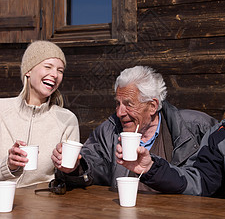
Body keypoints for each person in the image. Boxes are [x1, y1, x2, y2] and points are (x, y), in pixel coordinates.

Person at [52, 66, 216, 191]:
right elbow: (91, 165)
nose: (119, 112)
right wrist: (75, 167)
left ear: (152, 106)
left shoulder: (196, 128)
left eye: (128, 105)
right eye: (118, 103)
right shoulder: (109, 131)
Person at [0, 40, 79, 188]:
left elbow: (68, 177)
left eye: (60, 70)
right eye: (48, 67)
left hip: (42, 204)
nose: (55, 75)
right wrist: (8, 166)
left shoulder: (67, 119)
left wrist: (71, 168)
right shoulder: (1, 110)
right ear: (28, 71)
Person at [116, 120, 225, 198]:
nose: (120, 112)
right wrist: (151, 168)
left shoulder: (195, 124)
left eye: (129, 105)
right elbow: (200, 182)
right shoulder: (219, 134)